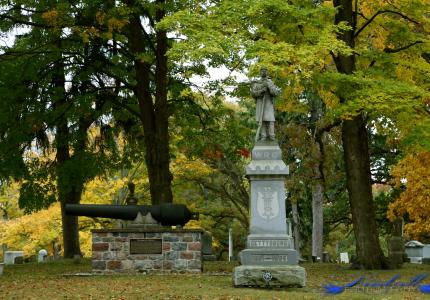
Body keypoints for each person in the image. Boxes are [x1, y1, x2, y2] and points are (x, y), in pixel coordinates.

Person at [250, 67, 280, 141]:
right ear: (260, 73)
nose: (264, 72)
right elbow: (253, 94)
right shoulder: (256, 83)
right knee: (261, 120)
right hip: (260, 102)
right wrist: (261, 91)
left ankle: (272, 136)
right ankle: (263, 136)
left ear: (267, 72)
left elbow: (275, 93)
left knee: (270, 120)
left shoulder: (270, 82)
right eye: (262, 71)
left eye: (265, 71)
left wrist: (269, 87)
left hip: (268, 102)